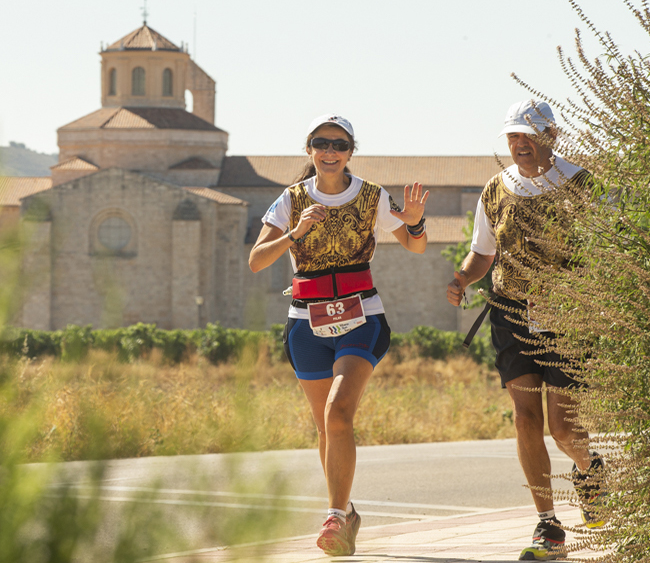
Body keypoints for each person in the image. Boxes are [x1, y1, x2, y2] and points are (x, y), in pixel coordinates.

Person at [249, 114, 428, 556]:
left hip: (361, 315)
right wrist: (295, 233)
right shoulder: (290, 201)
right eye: (321, 142)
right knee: (325, 429)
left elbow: (415, 245)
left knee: (338, 412)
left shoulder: (370, 196)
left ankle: (334, 516)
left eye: (339, 144)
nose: (330, 151)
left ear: (351, 152)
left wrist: (417, 222)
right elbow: (256, 261)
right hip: (306, 323)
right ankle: (345, 512)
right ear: (309, 150)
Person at [445, 100, 605, 561]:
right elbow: (482, 253)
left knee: (562, 426)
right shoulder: (496, 189)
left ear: (551, 136)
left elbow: (611, 246)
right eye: (513, 137)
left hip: (567, 316)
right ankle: (547, 525)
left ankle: (589, 467)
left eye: (528, 136)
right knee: (524, 418)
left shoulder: (581, 184)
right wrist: (460, 279)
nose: (520, 145)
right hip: (511, 314)